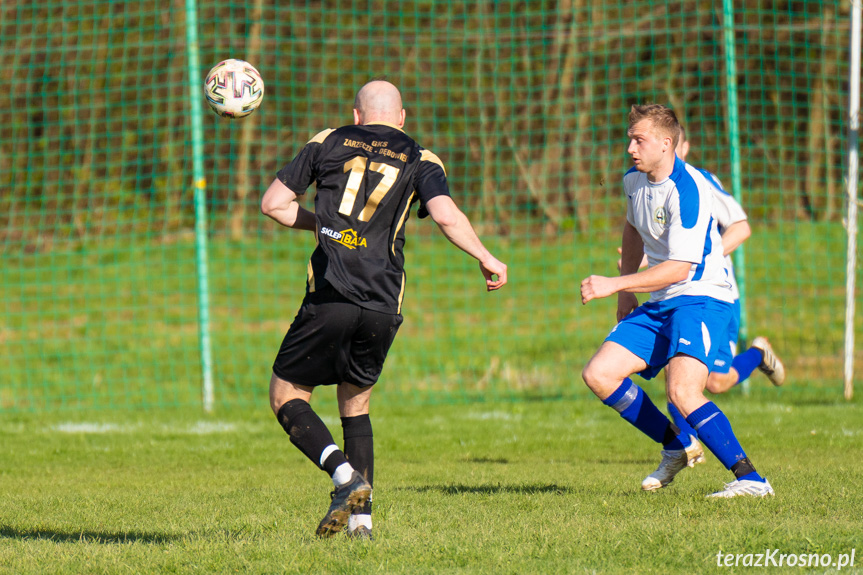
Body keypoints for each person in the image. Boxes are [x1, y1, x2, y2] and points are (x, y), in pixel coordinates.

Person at [260, 80, 508, 538]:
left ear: (356, 115)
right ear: (402, 118)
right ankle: (361, 524)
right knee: (355, 402)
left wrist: (327, 227)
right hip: (382, 303)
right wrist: (486, 257)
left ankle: (343, 476)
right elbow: (447, 215)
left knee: (287, 394)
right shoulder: (421, 157)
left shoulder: (327, 140)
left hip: (332, 294)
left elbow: (273, 204)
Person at [580, 104, 774, 498]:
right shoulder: (634, 180)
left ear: (667, 144)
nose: (630, 147)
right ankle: (676, 446)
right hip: (663, 299)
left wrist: (615, 283)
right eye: (630, 138)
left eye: (640, 139)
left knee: (683, 392)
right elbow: (632, 227)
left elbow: (679, 270)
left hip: (701, 298)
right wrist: (629, 292)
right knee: (599, 374)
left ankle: (751, 480)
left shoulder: (690, 189)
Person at [616, 126, 787, 446]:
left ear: (680, 146)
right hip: (674, 294)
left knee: (716, 382)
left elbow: (741, 227)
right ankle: (686, 444)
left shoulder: (699, 181)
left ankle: (756, 355)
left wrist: (699, 258)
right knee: (681, 373)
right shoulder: (643, 185)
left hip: (711, 293)